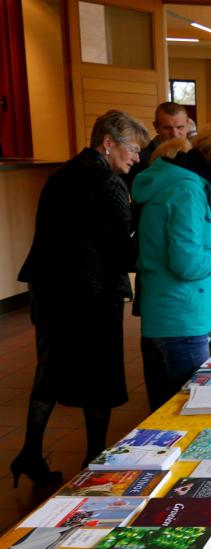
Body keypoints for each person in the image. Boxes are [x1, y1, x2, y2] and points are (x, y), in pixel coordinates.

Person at [14, 110, 149, 484]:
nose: (137, 158)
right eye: (133, 149)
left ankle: (29, 453)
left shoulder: (61, 174)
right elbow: (125, 253)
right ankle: (95, 459)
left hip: (47, 288)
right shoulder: (107, 183)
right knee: (100, 378)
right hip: (90, 294)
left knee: (49, 370)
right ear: (108, 142)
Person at [133, 122, 211, 410]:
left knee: (164, 413)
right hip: (180, 319)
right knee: (188, 412)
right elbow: (187, 263)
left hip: (165, 312)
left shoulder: (177, 181)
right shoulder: (187, 190)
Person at [123, 102, 188, 188]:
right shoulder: (139, 157)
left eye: (180, 127)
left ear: (187, 125)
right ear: (156, 126)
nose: (175, 134)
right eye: (167, 128)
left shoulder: (195, 155)